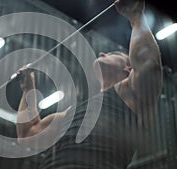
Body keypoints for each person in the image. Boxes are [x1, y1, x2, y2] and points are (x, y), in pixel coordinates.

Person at [16, 0, 163, 168]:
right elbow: (28, 134)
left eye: (112, 53)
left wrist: (136, 17)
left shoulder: (131, 93)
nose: (101, 53)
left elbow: (148, 64)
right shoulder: (70, 113)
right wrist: (28, 88)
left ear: (128, 70)